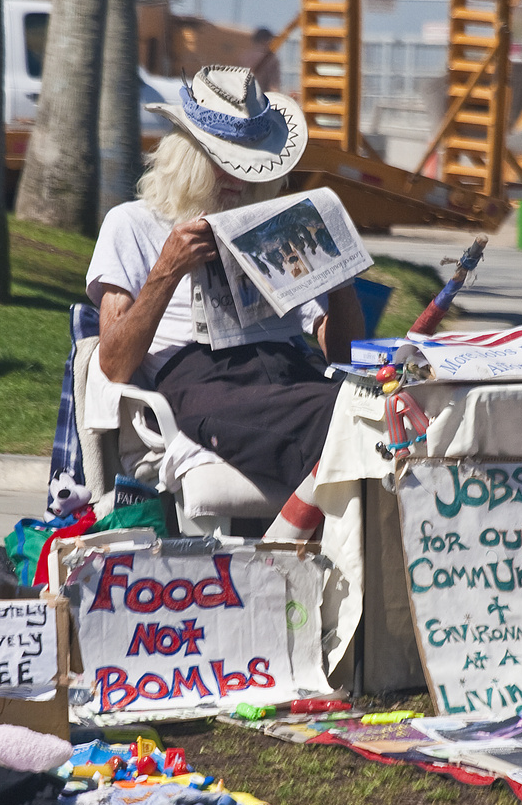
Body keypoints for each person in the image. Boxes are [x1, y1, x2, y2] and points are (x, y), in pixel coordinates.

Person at [85, 65, 364, 493]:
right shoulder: (132, 224)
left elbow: (343, 355)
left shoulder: (271, 222)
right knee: (334, 418)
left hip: (288, 369)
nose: (236, 179)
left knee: (368, 408)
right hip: (204, 380)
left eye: (249, 166)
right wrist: (167, 270)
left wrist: (340, 276)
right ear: (188, 156)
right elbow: (114, 364)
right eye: (222, 162)